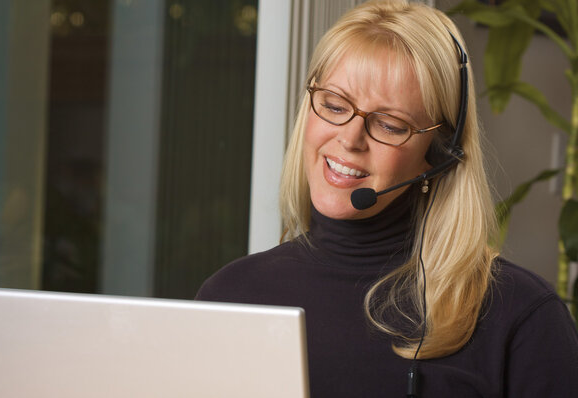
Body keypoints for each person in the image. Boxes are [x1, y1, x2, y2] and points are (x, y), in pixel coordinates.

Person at [196, 1, 578, 396]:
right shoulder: (230, 296)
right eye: (333, 105)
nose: (348, 139)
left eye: (390, 125)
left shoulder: (520, 317)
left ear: (440, 153)